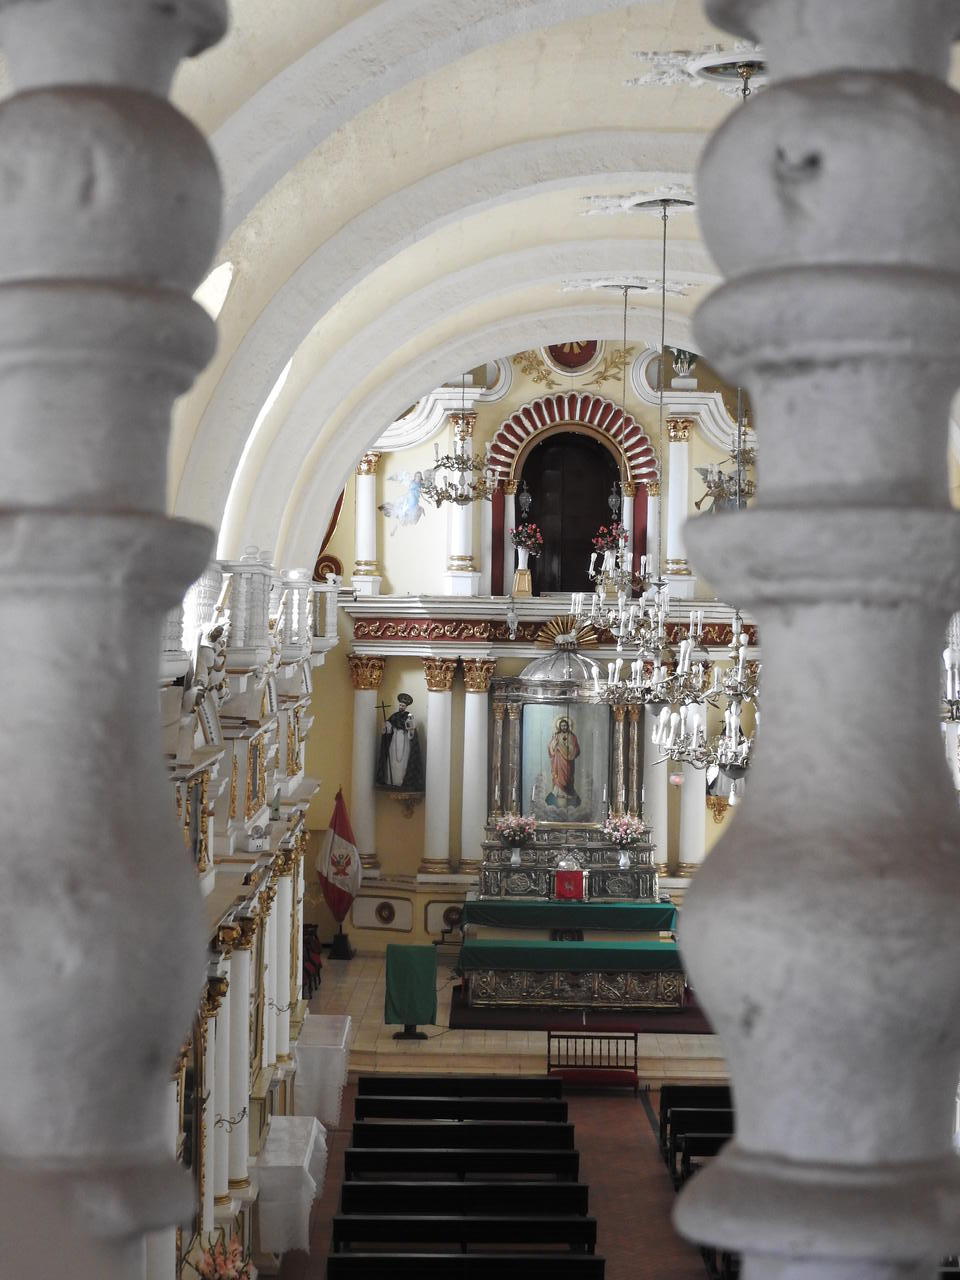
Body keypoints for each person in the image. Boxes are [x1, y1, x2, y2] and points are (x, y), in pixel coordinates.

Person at [376, 693, 425, 791]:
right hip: (394, 741)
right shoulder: (394, 716)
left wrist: (410, 727)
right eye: (400, 705)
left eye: (403, 705)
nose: (401, 707)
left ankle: (402, 781)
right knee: (392, 760)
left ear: (406, 707)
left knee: (403, 762)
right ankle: (392, 781)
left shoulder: (409, 716)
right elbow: (388, 729)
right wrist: (387, 725)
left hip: (404, 739)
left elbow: (412, 729)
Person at [547, 715, 581, 809]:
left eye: (565, 725)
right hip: (558, 761)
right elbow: (551, 748)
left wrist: (568, 747)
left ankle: (569, 795)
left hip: (568, 762)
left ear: (568, 726)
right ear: (559, 726)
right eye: (562, 726)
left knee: (568, 778)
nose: (564, 727)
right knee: (558, 777)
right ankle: (558, 794)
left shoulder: (572, 736)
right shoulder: (556, 735)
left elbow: (576, 749)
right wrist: (555, 745)